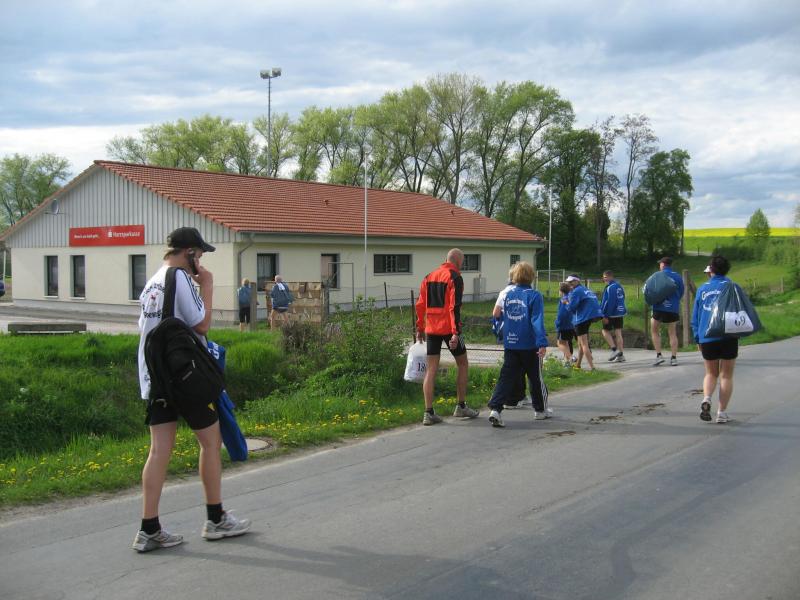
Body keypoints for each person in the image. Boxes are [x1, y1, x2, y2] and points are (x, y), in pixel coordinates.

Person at [133, 227, 250, 553]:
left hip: (156, 377)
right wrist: (207, 286)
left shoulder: (152, 281)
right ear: (190, 253)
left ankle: (149, 529)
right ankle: (216, 519)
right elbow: (201, 324)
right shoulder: (181, 278)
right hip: (186, 377)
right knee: (210, 442)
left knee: (159, 450)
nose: (200, 260)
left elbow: (145, 327)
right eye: (199, 254)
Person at [415, 248, 480, 425]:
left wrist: (420, 327)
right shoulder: (455, 277)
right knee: (463, 363)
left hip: (431, 329)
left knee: (431, 369)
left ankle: (428, 412)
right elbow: (454, 306)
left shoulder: (428, 276)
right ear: (458, 261)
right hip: (449, 329)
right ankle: (461, 406)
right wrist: (455, 332)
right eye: (462, 262)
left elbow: (420, 304)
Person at [487, 261, 550, 427]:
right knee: (535, 377)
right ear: (531, 276)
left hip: (511, 342)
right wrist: (542, 342)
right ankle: (540, 410)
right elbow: (537, 320)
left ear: (514, 276)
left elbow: (499, 316)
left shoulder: (508, 295)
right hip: (529, 344)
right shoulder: (534, 295)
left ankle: (496, 409)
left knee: (506, 377)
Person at [691, 255, 739, 424]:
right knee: (726, 376)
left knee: (711, 373)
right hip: (728, 335)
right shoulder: (732, 287)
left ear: (710, 269)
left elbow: (695, 316)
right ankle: (721, 413)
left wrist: (697, 337)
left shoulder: (702, 289)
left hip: (707, 336)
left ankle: (706, 398)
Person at [650, 257, 685, 366]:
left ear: (663, 264)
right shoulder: (678, 276)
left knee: (654, 330)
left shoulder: (657, 275)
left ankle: (659, 355)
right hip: (673, 308)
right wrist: (674, 301)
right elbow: (681, 292)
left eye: (660, 264)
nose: (659, 266)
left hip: (659, 307)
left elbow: (651, 291)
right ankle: (673, 358)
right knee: (672, 333)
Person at [564, 275, 603, 371]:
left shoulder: (576, 291)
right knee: (580, 344)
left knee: (584, 344)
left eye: (572, 281)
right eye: (568, 282)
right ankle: (578, 364)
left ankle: (593, 368)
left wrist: (566, 302)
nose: (570, 283)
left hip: (580, 319)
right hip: (589, 318)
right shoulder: (586, 289)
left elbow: (571, 308)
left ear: (577, 281)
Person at [600, 270, 627, 363]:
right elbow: (623, 297)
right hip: (620, 313)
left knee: (605, 331)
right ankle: (621, 355)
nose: (604, 279)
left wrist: (604, 315)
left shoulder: (610, 287)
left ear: (611, 277)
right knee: (618, 333)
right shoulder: (619, 286)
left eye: (605, 277)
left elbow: (609, 302)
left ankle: (614, 350)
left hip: (611, 313)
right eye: (603, 277)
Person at [555, 282, 576, 366]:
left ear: (561, 291)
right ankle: (567, 362)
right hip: (571, 324)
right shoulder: (570, 298)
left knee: (559, 343)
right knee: (566, 343)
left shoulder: (563, 300)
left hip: (563, 325)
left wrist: (558, 323)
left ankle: (571, 357)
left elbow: (562, 314)